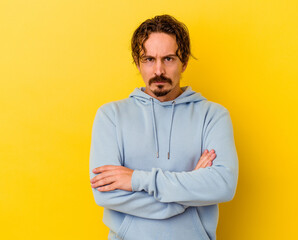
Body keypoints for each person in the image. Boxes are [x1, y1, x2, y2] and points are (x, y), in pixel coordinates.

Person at [89, 14, 239, 240]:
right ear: (137, 63)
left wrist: (137, 180)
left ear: (184, 61)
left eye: (168, 59)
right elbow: (105, 194)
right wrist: (184, 199)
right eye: (149, 59)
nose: (158, 70)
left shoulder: (213, 116)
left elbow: (223, 185)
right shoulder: (110, 116)